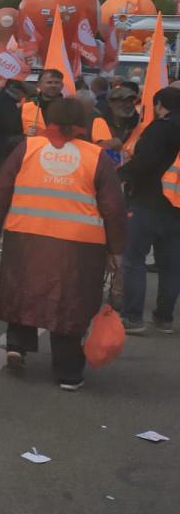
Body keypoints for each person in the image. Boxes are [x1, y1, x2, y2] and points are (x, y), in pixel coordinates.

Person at [0, 98, 127, 389]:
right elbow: (113, 206)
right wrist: (116, 248)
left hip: (25, 236)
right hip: (79, 246)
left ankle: (16, 345)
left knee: (21, 290)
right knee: (69, 304)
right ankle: (68, 373)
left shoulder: (28, 147)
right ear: (84, 121)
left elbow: (1, 186)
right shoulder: (95, 156)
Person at [117, 86, 180, 333]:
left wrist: (121, 175)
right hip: (177, 206)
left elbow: (144, 161)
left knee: (134, 259)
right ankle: (164, 318)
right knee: (172, 265)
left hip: (148, 200)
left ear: (160, 104)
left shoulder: (161, 128)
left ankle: (133, 317)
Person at [22, 69, 65, 135]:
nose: (53, 86)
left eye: (57, 82)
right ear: (39, 85)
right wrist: (24, 133)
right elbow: (9, 136)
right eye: (49, 82)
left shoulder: (71, 108)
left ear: (62, 85)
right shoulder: (25, 108)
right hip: (34, 145)